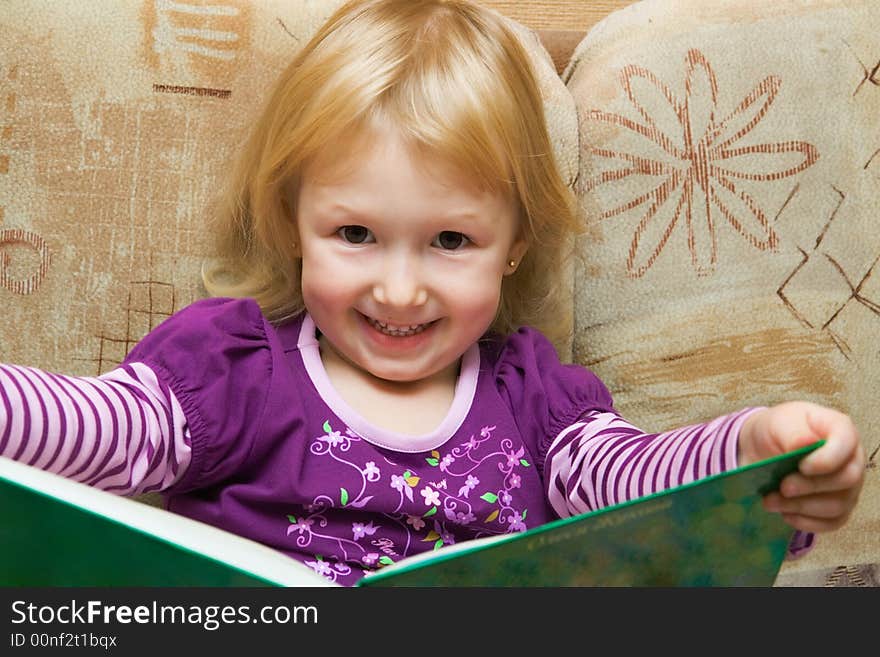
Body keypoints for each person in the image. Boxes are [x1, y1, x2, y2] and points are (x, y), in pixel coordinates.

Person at [0, 0, 865, 586]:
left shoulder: (534, 402)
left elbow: (631, 485)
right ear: (292, 221)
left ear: (514, 243)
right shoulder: (233, 370)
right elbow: (100, 426)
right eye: (354, 234)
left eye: (450, 241)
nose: (401, 288)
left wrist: (756, 457)